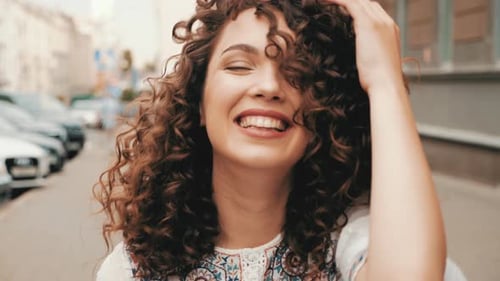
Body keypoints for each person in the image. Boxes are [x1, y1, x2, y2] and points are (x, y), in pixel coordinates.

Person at [94, 0, 467, 280]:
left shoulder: (358, 242)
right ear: (199, 103)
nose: (270, 87)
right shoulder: (134, 269)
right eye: (239, 65)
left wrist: (384, 83)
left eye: (298, 72)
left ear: (326, 112)